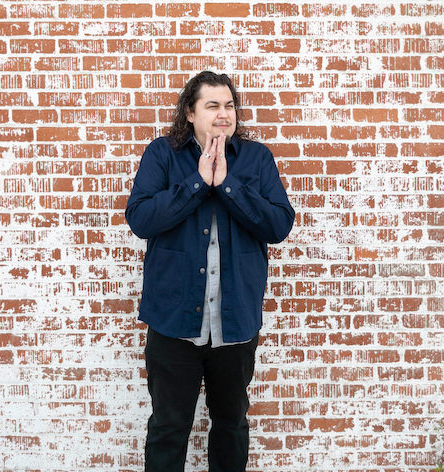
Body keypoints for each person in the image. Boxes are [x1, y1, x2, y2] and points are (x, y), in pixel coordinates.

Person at [125, 71, 295, 472]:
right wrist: (198, 184)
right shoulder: (162, 155)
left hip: (235, 322)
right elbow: (141, 219)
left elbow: (279, 226)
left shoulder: (257, 159)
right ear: (190, 111)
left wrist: (229, 186)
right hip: (173, 321)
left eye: (229, 105)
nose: (224, 114)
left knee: (231, 425)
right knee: (168, 427)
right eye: (213, 105)